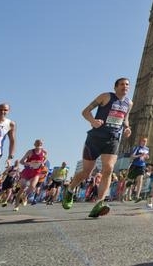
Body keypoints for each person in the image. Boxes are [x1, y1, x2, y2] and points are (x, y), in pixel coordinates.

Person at [61, 77, 133, 217]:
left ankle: (99, 203)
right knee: (86, 173)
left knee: (108, 169)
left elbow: (125, 119)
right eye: (122, 84)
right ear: (115, 87)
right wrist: (92, 121)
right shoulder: (105, 96)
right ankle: (69, 190)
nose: (125, 86)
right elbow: (85, 111)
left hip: (112, 139)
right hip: (95, 138)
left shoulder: (129, 103)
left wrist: (127, 128)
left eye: (127, 85)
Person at [14, 139, 48, 211]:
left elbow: (45, 159)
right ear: (34, 144)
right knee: (22, 187)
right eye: (37, 143)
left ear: (42, 145)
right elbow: (21, 161)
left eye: (40, 143)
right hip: (27, 171)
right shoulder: (30, 152)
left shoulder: (44, 152)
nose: (39, 144)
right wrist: (29, 163)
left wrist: (42, 163)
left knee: (32, 187)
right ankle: (16, 205)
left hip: (36, 172)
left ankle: (25, 196)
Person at [127, 137, 150, 203]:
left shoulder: (147, 149)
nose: (144, 142)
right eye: (143, 141)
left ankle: (137, 196)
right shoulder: (137, 148)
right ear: (140, 141)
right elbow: (132, 156)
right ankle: (128, 195)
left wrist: (147, 157)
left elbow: (147, 156)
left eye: (145, 141)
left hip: (142, 166)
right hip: (134, 165)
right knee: (130, 181)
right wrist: (139, 155)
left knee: (140, 180)